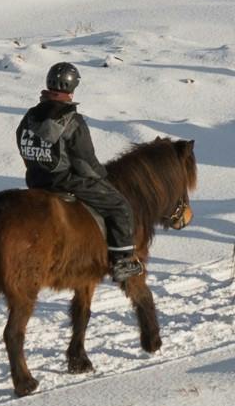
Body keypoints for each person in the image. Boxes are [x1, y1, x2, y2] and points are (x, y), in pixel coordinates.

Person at [17, 62, 144, 270]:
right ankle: (123, 262)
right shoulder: (72, 120)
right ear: (72, 88)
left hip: (36, 181)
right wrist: (103, 177)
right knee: (120, 206)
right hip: (67, 183)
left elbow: (23, 145)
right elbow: (85, 161)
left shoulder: (30, 116)